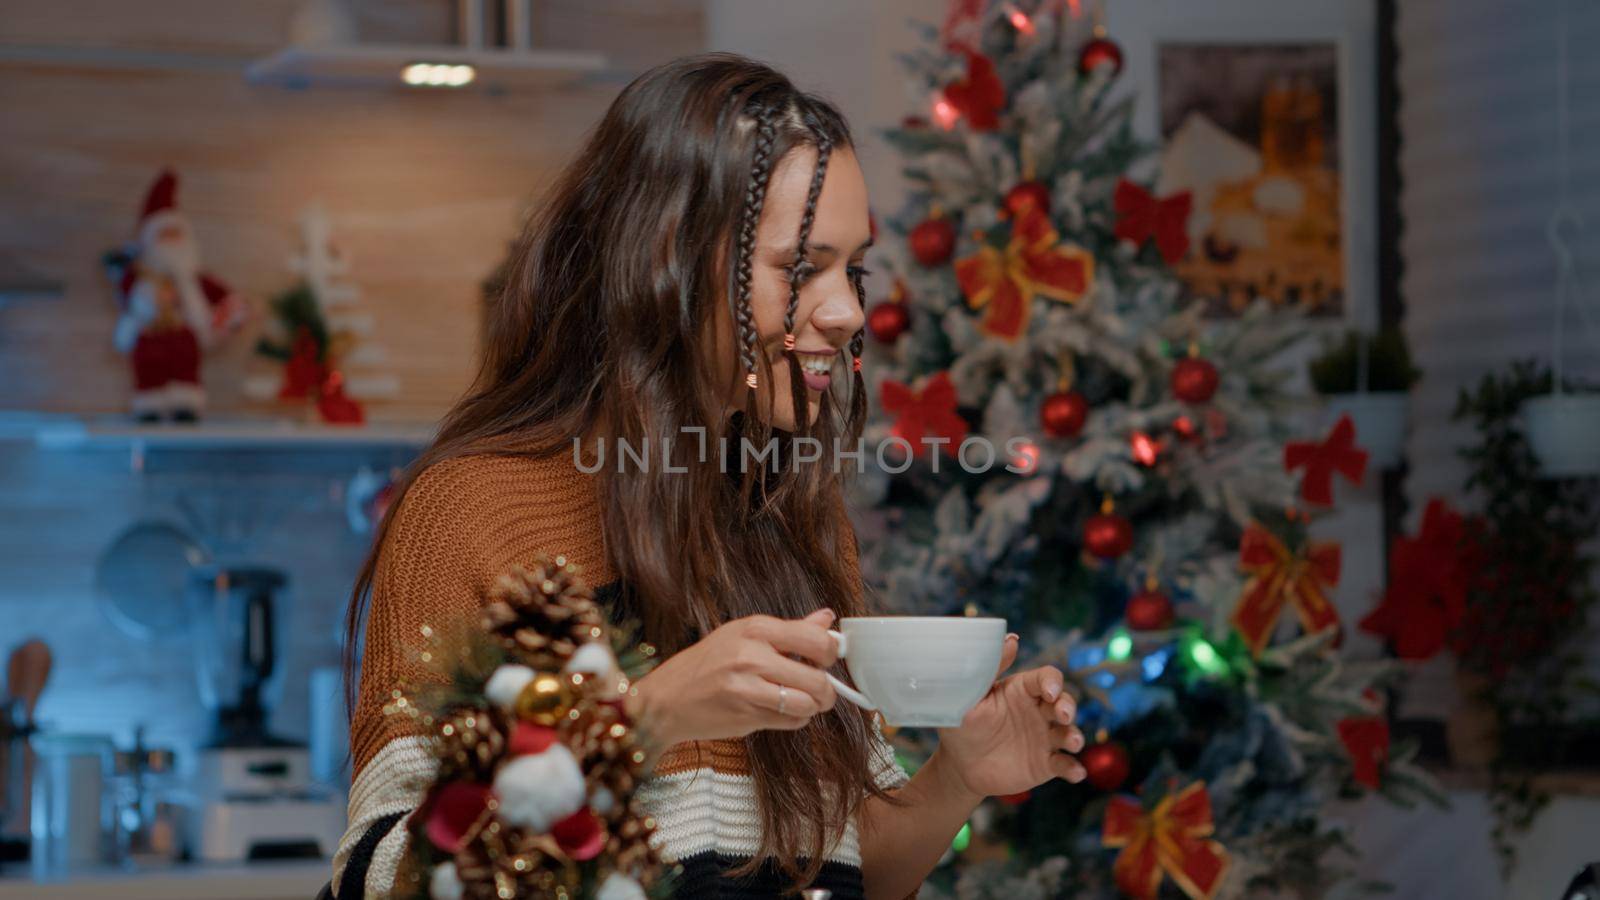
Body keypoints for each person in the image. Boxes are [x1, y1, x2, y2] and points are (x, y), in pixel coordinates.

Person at [333, 52, 1087, 899]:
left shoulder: (790, 515)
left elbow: (848, 870)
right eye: (802, 269)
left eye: (855, 271)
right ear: (667, 264)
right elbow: (388, 877)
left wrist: (958, 778)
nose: (845, 311)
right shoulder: (476, 512)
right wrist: (645, 722)